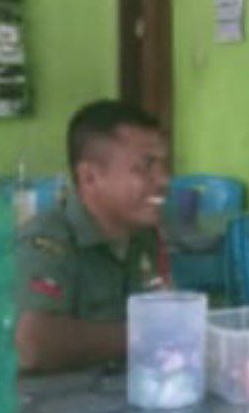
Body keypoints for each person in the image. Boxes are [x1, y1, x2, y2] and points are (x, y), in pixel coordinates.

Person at [15, 100, 170, 374]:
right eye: (146, 166)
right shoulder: (48, 241)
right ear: (89, 177)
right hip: (52, 400)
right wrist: (141, 335)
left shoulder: (145, 236)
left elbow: (167, 308)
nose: (163, 180)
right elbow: (30, 345)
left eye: (163, 165)